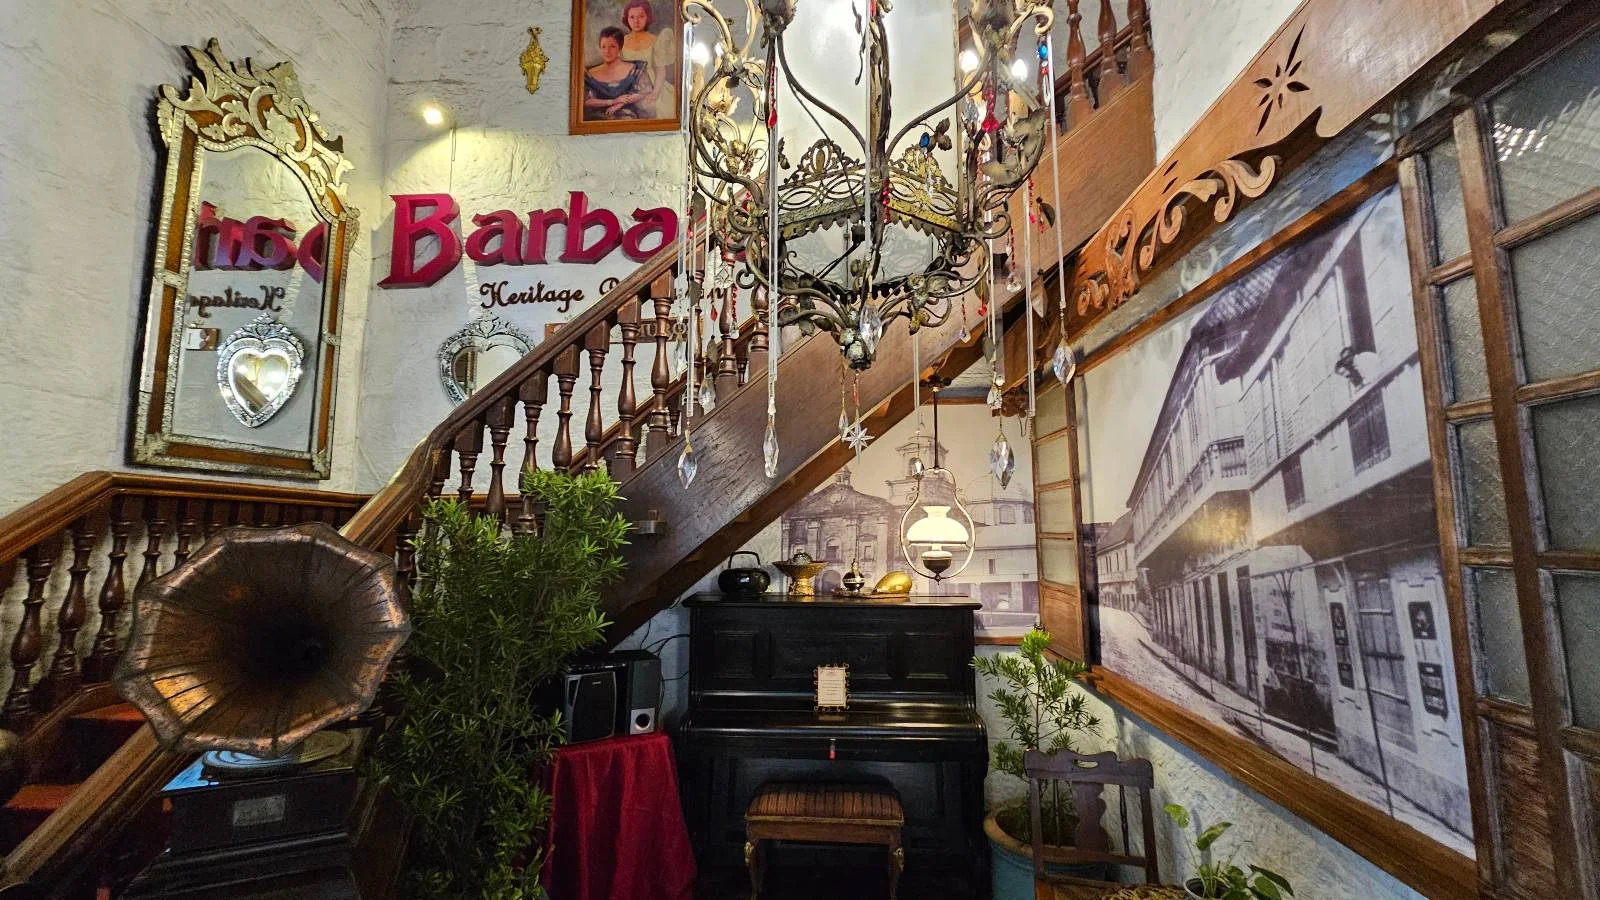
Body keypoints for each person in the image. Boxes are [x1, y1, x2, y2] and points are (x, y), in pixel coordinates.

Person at [619, 0, 675, 120]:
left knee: (658, 110)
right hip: (629, 85)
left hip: (653, 84)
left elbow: (661, 70)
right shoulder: (621, 41)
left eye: (641, 16)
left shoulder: (655, 40)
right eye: (632, 17)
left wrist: (655, 93)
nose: (636, 21)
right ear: (627, 19)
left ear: (647, 17)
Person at [583, 26, 650, 120]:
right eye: (603, 47)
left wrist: (620, 104)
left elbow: (643, 92)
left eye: (612, 46)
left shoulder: (636, 69)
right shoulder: (588, 74)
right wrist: (612, 101)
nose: (607, 51)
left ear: (620, 48)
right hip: (597, 119)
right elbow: (586, 101)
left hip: (628, 118)